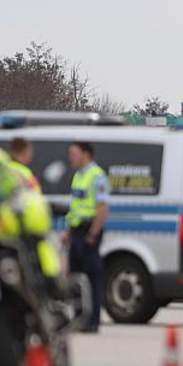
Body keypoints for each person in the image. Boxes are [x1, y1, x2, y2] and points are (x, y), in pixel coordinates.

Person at [66, 142, 110, 333]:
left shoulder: (97, 177)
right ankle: (78, 317)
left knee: (92, 277)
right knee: (75, 276)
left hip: (89, 231)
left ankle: (92, 320)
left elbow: (103, 207)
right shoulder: (78, 175)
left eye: (74, 153)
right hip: (77, 230)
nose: (71, 157)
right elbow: (75, 206)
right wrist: (68, 232)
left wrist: (93, 233)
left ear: (86, 154)